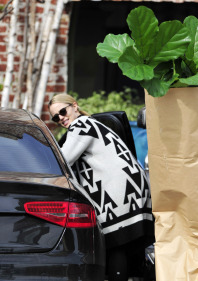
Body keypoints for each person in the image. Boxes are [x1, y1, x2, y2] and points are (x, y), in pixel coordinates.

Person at [48, 93, 154, 281]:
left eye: (62, 112)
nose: (61, 118)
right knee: (122, 246)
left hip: (119, 190)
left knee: (115, 243)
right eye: (56, 117)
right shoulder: (91, 124)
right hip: (127, 187)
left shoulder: (81, 125)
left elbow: (63, 160)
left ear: (74, 106)